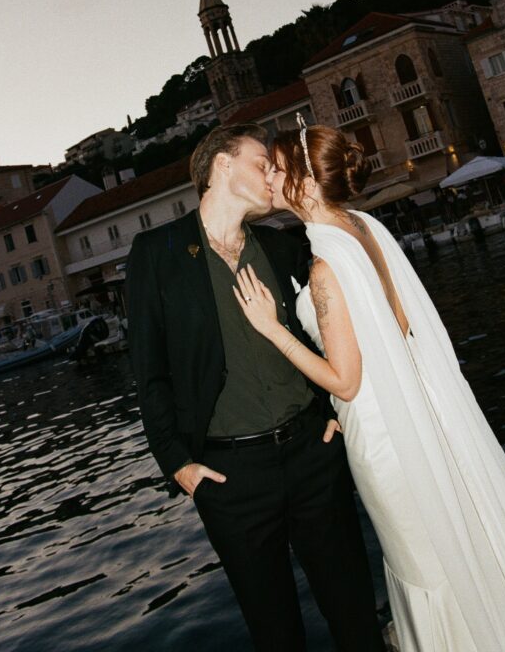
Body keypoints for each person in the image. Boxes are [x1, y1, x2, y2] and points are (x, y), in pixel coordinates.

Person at [234, 118, 505, 652]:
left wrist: (271, 328)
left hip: (382, 434)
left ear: (305, 183)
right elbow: (396, 329)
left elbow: (346, 381)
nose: (270, 180)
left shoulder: (327, 265)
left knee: (422, 566)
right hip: (410, 409)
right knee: (445, 552)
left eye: (278, 170)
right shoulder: (364, 227)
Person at [126, 123, 385, 652]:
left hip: (314, 455)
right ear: (223, 165)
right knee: (275, 632)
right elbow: (149, 373)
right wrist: (179, 464)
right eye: (261, 163)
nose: (273, 175)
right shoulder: (156, 252)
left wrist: (332, 407)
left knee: (354, 612)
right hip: (229, 478)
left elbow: (327, 331)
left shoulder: (284, 246)